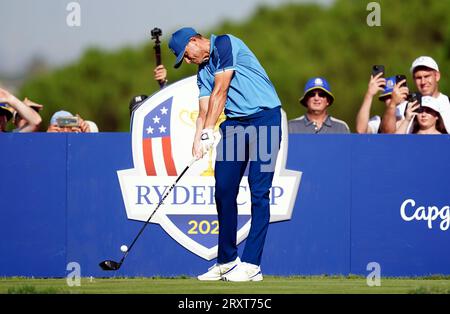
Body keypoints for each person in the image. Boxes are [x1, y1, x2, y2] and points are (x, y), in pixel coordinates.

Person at [169, 27, 282, 282]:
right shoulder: (202, 72)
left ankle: (252, 264)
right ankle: (227, 260)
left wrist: (209, 129)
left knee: (259, 191)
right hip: (235, 125)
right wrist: (198, 140)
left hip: (265, 118)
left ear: (194, 41)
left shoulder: (225, 44)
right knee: (223, 189)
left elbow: (221, 90)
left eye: (185, 55)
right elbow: (204, 109)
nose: (187, 61)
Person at [381, 56, 449, 133]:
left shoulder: (448, 103)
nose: (423, 82)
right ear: (413, 80)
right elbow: (387, 134)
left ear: (437, 76)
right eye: (419, 78)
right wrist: (393, 104)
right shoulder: (405, 107)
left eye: (427, 76)